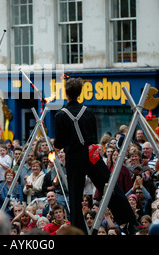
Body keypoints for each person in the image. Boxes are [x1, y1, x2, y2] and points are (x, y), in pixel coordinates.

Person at [54, 78, 137, 234]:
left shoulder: (60, 115)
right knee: (110, 186)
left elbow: (59, 142)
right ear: (80, 93)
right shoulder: (88, 111)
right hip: (91, 155)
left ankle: (79, 231)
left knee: (75, 196)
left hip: (74, 158)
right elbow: (94, 136)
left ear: (66, 93)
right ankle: (129, 220)